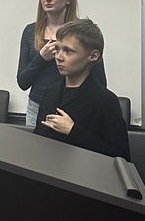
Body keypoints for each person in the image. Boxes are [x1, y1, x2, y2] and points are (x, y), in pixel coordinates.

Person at [17, 0, 106, 128]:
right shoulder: (31, 31)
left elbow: (100, 80)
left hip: (74, 106)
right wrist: (41, 58)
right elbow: (23, 82)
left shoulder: (82, 32)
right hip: (37, 106)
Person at [35, 19, 129, 160]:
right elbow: (38, 138)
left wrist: (73, 131)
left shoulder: (105, 100)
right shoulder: (50, 93)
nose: (59, 57)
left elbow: (121, 155)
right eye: (57, 49)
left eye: (68, 51)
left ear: (93, 56)